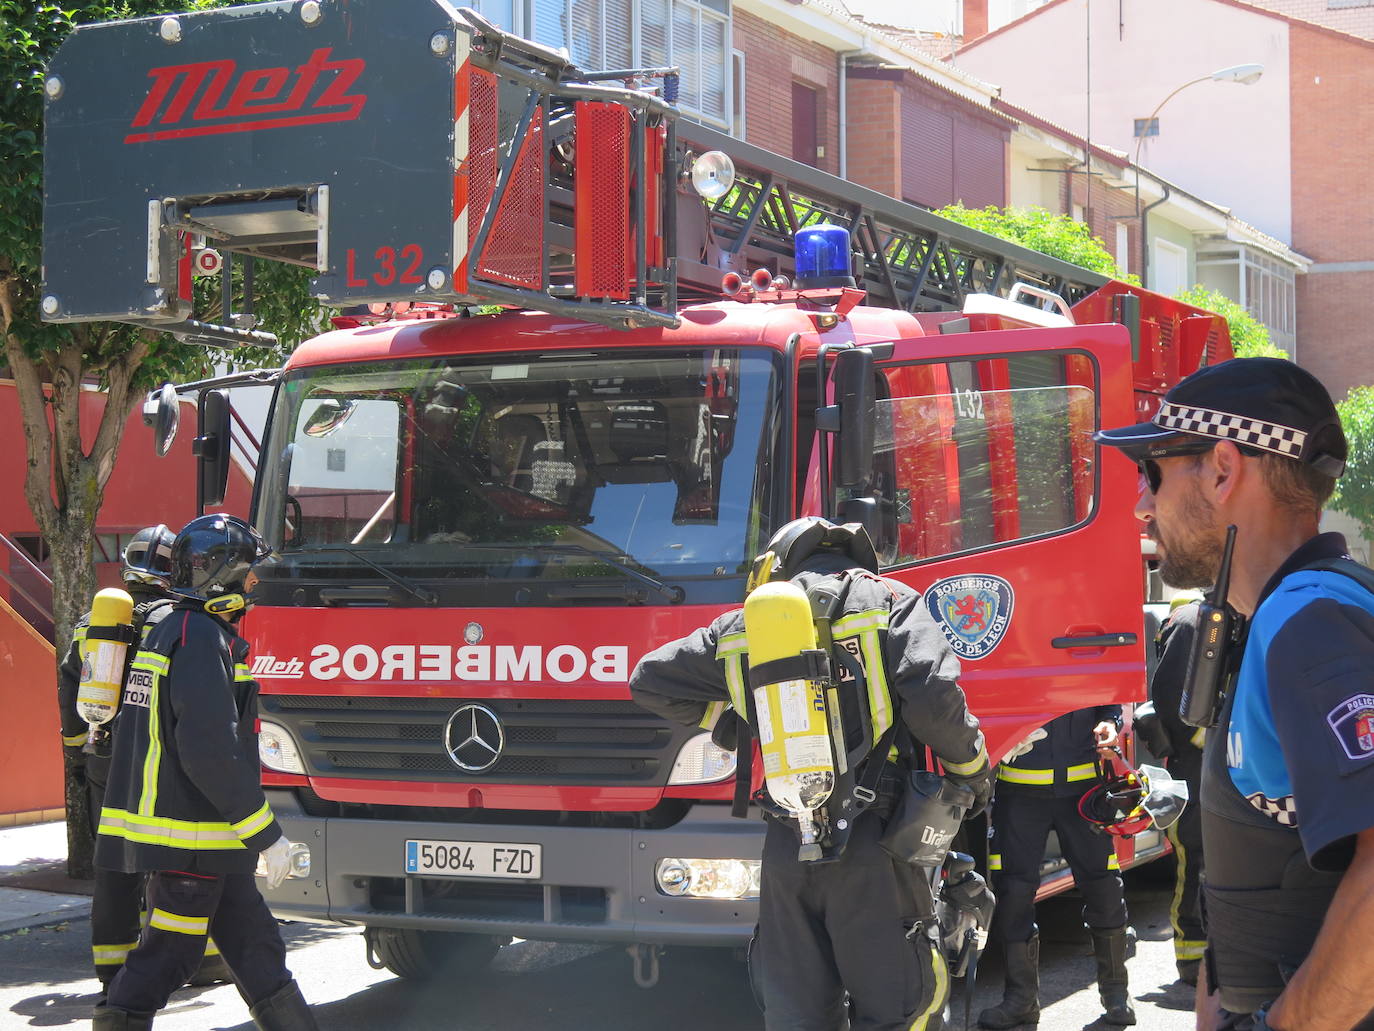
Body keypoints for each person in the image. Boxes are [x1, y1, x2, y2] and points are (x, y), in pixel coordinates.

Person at [1096, 356, 1374, 1031]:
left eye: (1153, 472)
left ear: (1222, 468)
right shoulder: (1268, 620)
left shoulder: (1308, 622)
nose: (1140, 502)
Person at [630, 517, 993, 1031]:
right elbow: (935, 701)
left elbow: (648, 681)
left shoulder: (743, 627)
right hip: (877, 836)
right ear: (860, 561)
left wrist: (738, 724)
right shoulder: (891, 601)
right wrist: (973, 771)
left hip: (785, 841)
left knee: (797, 1014)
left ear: (778, 566)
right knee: (897, 1008)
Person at [93, 515, 317, 1031]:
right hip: (191, 835)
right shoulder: (198, 639)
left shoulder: (182, 629)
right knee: (168, 956)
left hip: (206, 837)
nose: (253, 585)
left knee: (257, 949)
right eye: (247, 573)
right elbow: (209, 751)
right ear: (220, 575)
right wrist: (266, 836)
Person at [57, 526, 230, 997]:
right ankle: (207, 959)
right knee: (185, 859)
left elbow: (71, 693)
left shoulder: (90, 624)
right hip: (161, 760)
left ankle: (114, 970)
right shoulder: (182, 621)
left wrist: (77, 754)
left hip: (104, 759)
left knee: (114, 868)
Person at [978, 708, 1136, 1027]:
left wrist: (1111, 722)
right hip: (1019, 794)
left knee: (1104, 887)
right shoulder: (1008, 655)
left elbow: (1106, 688)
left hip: (1083, 792)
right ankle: (1020, 1000)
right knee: (1013, 894)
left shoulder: (1080, 657)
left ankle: (1117, 995)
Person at [1149, 595, 1207, 985]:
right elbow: (1169, 696)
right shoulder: (1191, 622)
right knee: (1198, 860)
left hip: (1222, 757)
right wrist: (1201, 737)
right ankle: (1192, 958)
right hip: (1198, 761)